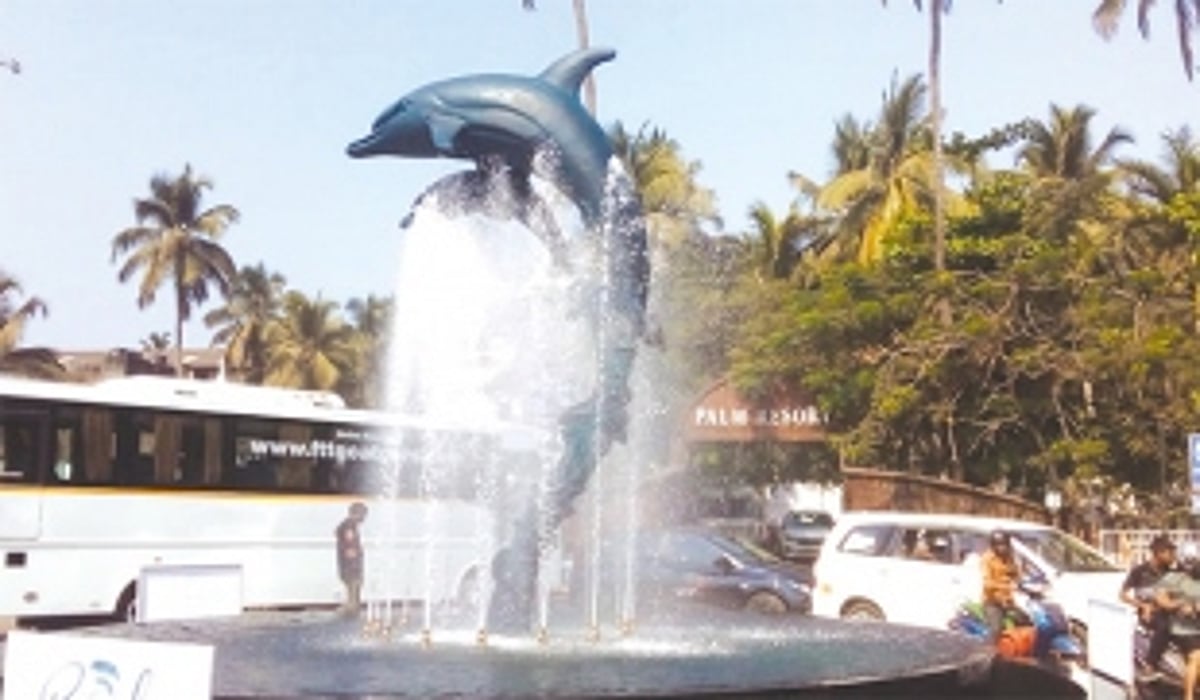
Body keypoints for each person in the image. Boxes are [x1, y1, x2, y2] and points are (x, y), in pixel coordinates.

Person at [1120, 534, 1177, 679]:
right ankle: (1150, 664)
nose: (1173, 556)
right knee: (1165, 626)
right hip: (1149, 613)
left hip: (1168, 609)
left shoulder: (1170, 572)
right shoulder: (1139, 571)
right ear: (1158, 553)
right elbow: (1122, 595)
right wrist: (1142, 606)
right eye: (1170, 552)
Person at [1153, 555, 1200, 700]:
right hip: (1180, 627)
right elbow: (1161, 600)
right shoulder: (1172, 579)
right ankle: (1188, 696)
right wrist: (1179, 604)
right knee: (1196, 656)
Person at [979, 529, 1021, 643]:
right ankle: (988, 655)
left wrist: (1021, 583)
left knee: (1025, 622)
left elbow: (1016, 575)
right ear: (993, 545)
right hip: (992, 601)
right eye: (999, 545)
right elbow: (987, 583)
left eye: (1004, 544)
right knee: (996, 630)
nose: (1002, 548)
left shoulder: (1010, 557)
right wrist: (1006, 587)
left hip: (1008, 601)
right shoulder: (987, 559)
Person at [336, 501, 368, 615]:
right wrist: (355, 556)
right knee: (354, 582)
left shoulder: (347, 525)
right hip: (350, 562)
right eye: (363, 515)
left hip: (347, 561)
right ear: (356, 514)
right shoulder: (349, 526)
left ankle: (352, 605)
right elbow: (350, 543)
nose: (364, 518)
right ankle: (352, 606)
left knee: (353, 583)